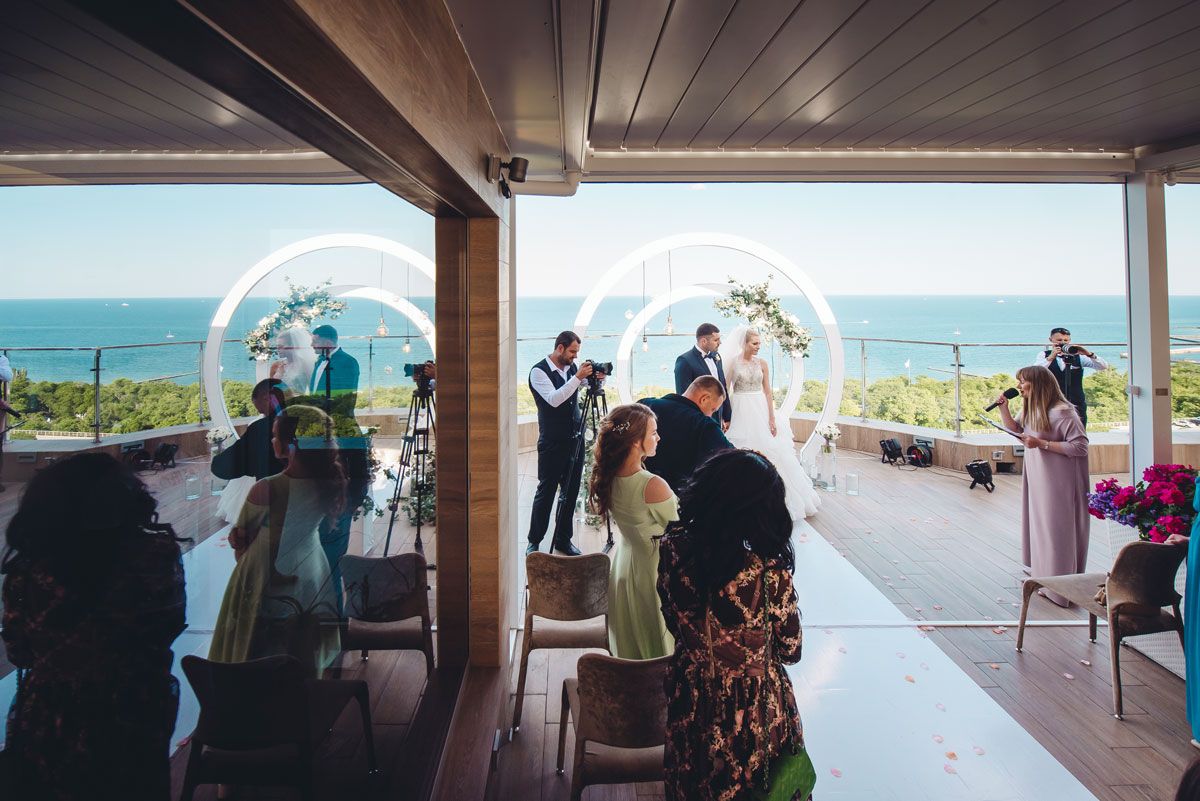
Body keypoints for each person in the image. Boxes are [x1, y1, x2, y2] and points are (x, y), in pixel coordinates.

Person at [1, 452, 186, 801]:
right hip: (136, 710)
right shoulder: (156, 556)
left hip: (53, 718)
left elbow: (19, 651)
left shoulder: (31, 572)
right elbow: (169, 623)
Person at [657, 449, 812, 801]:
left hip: (692, 693)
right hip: (754, 709)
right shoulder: (768, 574)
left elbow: (672, 618)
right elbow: (791, 651)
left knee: (693, 781)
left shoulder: (673, 550)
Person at [209, 405, 345, 676]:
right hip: (310, 568)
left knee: (259, 644)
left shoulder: (268, 488)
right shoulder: (328, 482)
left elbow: (242, 538)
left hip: (267, 572)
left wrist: (241, 547)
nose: (272, 440)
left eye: (275, 435)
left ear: (291, 445)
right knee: (300, 643)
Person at [995, 365, 1090, 607]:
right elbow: (1018, 431)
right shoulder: (1033, 408)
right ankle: (1044, 579)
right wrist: (1004, 409)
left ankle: (1060, 589)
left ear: (1038, 384)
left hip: (1059, 479)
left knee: (1057, 529)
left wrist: (1042, 444)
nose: (1019, 386)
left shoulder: (1064, 413)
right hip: (1039, 475)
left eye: (1022, 381)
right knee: (1042, 527)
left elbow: (1080, 447)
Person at [588, 403, 676, 660]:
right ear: (636, 441)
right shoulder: (652, 485)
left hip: (624, 567)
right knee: (656, 640)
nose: (658, 438)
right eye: (653, 433)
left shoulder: (609, 476)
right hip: (652, 570)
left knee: (634, 642)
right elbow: (680, 528)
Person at [721, 326, 820, 520]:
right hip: (740, 407)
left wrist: (772, 418)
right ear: (744, 343)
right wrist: (727, 416)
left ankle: (777, 498)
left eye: (759, 343)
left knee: (771, 450)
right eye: (754, 343)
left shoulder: (763, 363)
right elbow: (725, 390)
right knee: (742, 449)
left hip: (760, 408)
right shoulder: (733, 363)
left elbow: (767, 391)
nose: (758, 346)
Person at [527, 330, 601, 556]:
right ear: (560, 348)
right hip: (552, 442)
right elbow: (554, 399)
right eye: (572, 352)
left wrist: (596, 378)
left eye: (576, 352)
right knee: (546, 492)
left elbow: (584, 386)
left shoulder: (571, 368)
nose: (575, 356)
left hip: (574, 440)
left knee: (570, 492)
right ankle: (534, 540)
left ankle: (563, 540)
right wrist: (577, 377)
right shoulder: (538, 372)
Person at [211, 378, 287, 524]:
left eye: (261, 410)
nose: (262, 414)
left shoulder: (262, 428)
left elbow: (225, 466)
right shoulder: (311, 420)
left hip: (274, 510)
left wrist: (217, 459)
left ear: (267, 398)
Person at [639, 376, 733, 494]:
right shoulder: (704, 425)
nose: (710, 415)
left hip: (639, 486)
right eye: (713, 409)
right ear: (704, 398)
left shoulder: (645, 405)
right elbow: (732, 456)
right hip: (678, 494)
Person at [1032, 327, 1108, 428]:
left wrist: (1089, 354)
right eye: (1059, 340)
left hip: (1076, 401)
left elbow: (1103, 366)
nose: (1063, 343)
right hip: (1052, 401)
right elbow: (1035, 372)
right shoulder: (1044, 355)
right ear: (1051, 340)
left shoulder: (1078, 356)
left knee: (1078, 430)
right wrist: (1051, 357)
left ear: (1070, 340)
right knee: (1053, 430)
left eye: (1066, 340)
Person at [674, 323, 732, 429]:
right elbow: (682, 396)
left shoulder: (716, 356)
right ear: (703, 341)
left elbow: (723, 386)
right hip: (699, 420)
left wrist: (727, 416)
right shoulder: (685, 360)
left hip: (718, 417)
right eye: (716, 340)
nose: (720, 343)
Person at [269, 325, 317, 398]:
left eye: (281, 346)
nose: (278, 349)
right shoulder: (276, 365)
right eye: (277, 346)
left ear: (293, 346)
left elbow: (313, 388)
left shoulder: (305, 364)